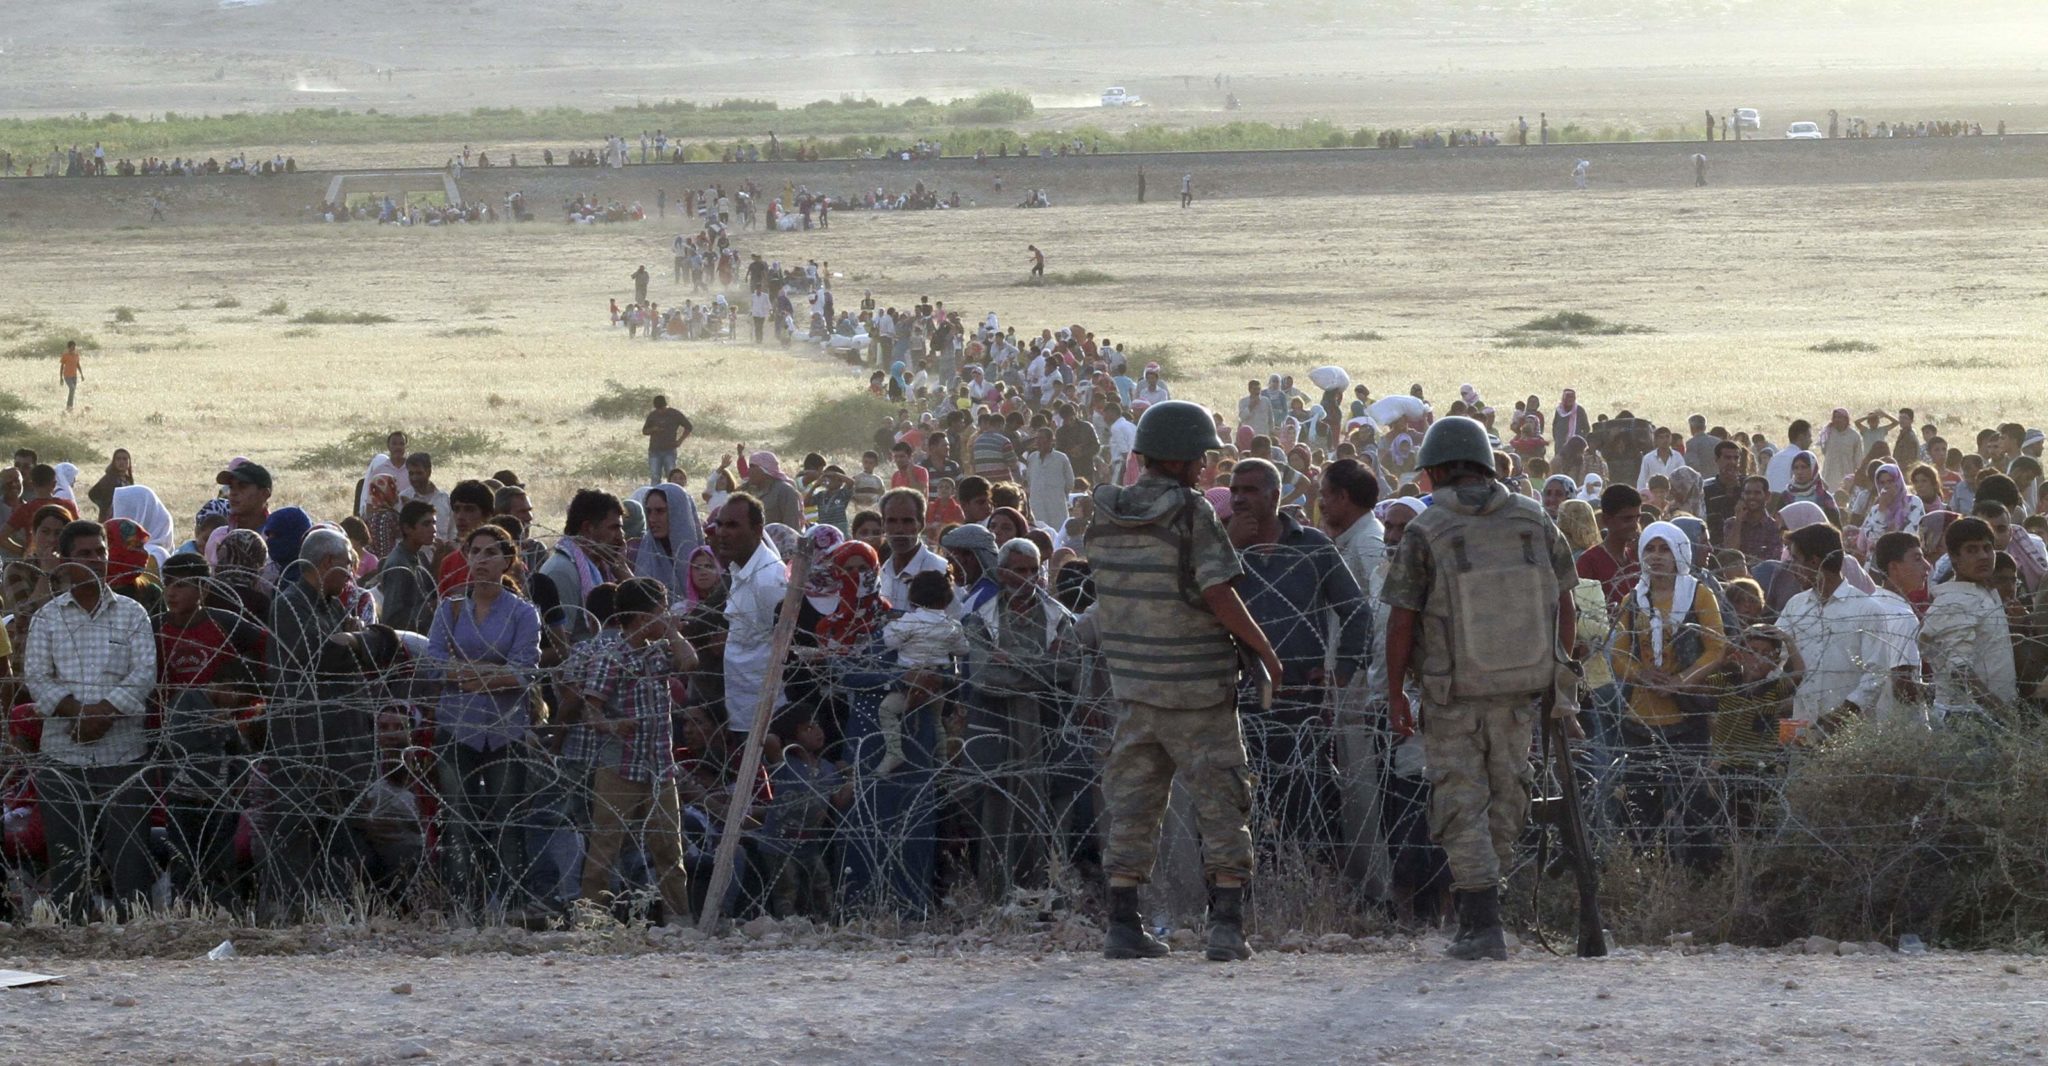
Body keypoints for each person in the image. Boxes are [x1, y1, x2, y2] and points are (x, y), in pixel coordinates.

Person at [1089, 399, 1281, 963]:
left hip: (1134, 686)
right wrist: (1263, 649)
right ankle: (1225, 928)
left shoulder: (1104, 512)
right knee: (1222, 803)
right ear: (1186, 460)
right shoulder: (1192, 512)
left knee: (1132, 805)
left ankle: (1123, 925)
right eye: (1202, 458)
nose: (1205, 468)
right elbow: (1218, 591)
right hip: (1197, 690)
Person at [1381, 416, 1578, 961]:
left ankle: (1481, 918)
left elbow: (1402, 618)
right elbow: (1565, 598)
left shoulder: (1427, 528)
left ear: (1439, 469)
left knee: (1459, 803)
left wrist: (1397, 693)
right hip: (1521, 691)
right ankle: (1487, 907)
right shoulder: (1533, 518)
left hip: (1453, 695)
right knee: (1506, 798)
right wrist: (1556, 670)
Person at [22, 519, 158, 922]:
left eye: (100, 552)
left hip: (122, 750)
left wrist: (104, 714)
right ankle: (72, 930)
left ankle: (134, 931)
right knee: (68, 853)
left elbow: (144, 673)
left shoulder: (132, 614)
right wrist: (77, 714)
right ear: (64, 561)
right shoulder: (48, 617)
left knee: (130, 851)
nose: (96, 560)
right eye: (85, 554)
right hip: (65, 752)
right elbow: (37, 678)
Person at [425, 524, 544, 917]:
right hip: (457, 729)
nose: (481, 560)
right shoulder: (451, 608)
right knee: (459, 821)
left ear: (507, 560)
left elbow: (524, 670)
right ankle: (463, 906)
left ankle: (511, 906)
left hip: (505, 730)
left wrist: (469, 673)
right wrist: (490, 673)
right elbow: (434, 663)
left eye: (491, 552)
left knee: (506, 820)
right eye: (474, 551)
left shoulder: (523, 613)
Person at [576, 576, 700, 923]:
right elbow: (590, 709)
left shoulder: (658, 651)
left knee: (668, 848)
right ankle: (591, 920)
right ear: (643, 617)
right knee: (606, 846)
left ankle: (679, 920)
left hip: (660, 765)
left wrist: (672, 631)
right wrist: (614, 726)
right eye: (662, 611)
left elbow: (690, 663)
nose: (668, 616)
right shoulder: (612, 657)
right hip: (621, 767)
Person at [1921, 516, 2018, 718]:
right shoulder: (1954, 602)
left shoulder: (1983, 591)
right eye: (1972, 550)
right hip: (1966, 717)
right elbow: (1959, 671)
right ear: (1955, 557)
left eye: (1987, 548)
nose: (1983, 556)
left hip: (1988, 713)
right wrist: (2001, 711)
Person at [714, 493, 788, 738]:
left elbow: (785, 649)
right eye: (720, 524)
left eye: (733, 525)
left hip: (766, 718)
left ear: (757, 530)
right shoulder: (738, 570)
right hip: (741, 711)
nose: (723, 532)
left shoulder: (768, 580)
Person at [642, 395, 694, 487]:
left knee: (672, 477)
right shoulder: (652, 415)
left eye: (662, 409)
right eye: (658, 409)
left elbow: (689, 427)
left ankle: (672, 494)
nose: (660, 411)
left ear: (665, 405)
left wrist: (680, 441)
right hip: (654, 451)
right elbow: (644, 431)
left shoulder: (675, 414)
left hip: (669, 450)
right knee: (655, 477)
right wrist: (653, 429)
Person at [59, 339, 82, 411]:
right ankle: (69, 406)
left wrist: (81, 374)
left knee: (73, 390)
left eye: (74, 346)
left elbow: (78, 365)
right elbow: (62, 366)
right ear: (69, 347)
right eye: (72, 346)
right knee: (72, 388)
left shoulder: (76, 355)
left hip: (74, 376)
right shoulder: (65, 355)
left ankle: (70, 407)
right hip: (67, 376)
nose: (74, 348)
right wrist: (61, 378)